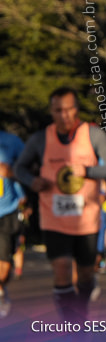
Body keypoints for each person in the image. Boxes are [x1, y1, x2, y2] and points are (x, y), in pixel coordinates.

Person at [14, 87, 106, 322]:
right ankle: (72, 324)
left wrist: (88, 171)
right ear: (51, 111)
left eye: (70, 109)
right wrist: (33, 181)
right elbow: (20, 168)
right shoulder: (40, 139)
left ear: (77, 109)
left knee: (84, 275)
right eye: (58, 110)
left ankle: (82, 308)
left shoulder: (93, 135)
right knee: (62, 269)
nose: (64, 115)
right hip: (54, 217)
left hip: (86, 219)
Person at [0, 129, 26, 317]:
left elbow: (30, 168)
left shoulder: (11, 141)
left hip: (7, 210)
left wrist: (12, 172)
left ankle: (1, 288)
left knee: (4, 267)